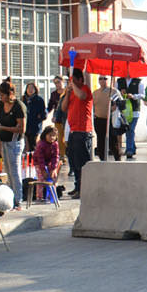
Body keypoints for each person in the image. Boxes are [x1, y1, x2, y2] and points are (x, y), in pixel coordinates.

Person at [0, 81, 27, 206]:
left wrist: (2, 127)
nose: (1, 98)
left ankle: (18, 199)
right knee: (8, 170)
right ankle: (11, 197)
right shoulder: (1, 104)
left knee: (15, 171)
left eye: (2, 95)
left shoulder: (18, 106)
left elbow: (22, 129)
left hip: (15, 142)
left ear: (10, 94)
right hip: (4, 142)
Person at [64, 69, 94, 197]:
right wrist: (67, 93)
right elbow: (64, 107)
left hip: (83, 131)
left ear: (80, 80)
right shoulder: (72, 92)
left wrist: (74, 85)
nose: (72, 84)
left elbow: (82, 96)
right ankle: (77, 186)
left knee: (82, 162)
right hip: (73, 130)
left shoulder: (85, 89)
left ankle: (84, 188)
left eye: (75, 81)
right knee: (74, 161)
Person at [33, 123, 62, 202]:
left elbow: (55, 157)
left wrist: (53, 168)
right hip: (39, 163)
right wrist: (43, 170)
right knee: (41, 179)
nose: (52, 137)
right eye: (50, 135)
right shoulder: (41, 144)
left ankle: (52, 195)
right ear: (45, 135)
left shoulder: (55, 144)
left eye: (54, 136)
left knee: (53, 177)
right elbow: (40, 158)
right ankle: (40, 197)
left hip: (49, 163)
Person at [22, 80, 47, 146]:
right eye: (28, 88)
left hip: (35, 126)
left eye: (32, 88)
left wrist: (39, 117)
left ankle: (34, 156)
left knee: (34, 144)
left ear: (35, 89)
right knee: (26, 145)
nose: (30, 90)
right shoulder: (23, 99)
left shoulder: (39, 99)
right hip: (25, 125)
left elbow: (43, 114)